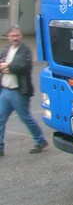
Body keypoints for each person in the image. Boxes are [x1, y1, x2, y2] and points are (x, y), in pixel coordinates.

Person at [0, 25, 48, 156]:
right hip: (5, 91)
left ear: (21, 36)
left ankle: (40, 140)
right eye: (12, 36)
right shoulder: (5, 50)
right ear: (8, 37)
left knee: (26, 118)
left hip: (18, 92)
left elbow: (20, 67)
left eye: (17, 35)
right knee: (0, 119)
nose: (15, 38)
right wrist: (7, 67)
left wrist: (5, 66)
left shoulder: (25, 51)